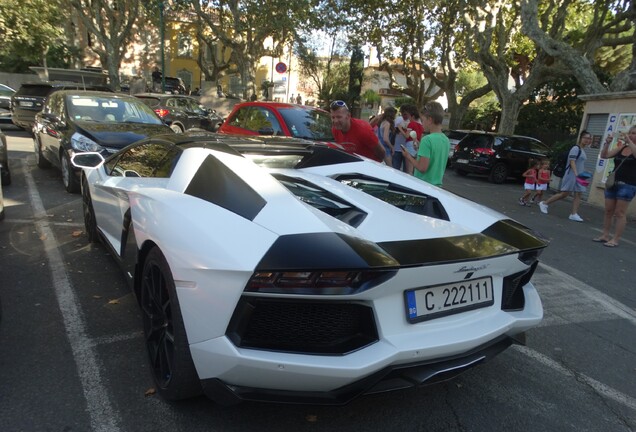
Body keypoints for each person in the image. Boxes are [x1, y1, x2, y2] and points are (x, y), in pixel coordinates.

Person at [593, 125, 636, 247]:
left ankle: (615, 239)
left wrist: (629, 142)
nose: (631, 135)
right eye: (631, 132)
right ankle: (605, 235)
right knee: (608, 211)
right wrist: (607, 143)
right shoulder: (623, 147)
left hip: (628, 185)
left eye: (634, 133)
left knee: (620, 213)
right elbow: (604, 155)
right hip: (613, 183)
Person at [539, 130, 592, 222]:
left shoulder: (582, 150)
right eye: (586, 138)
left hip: (579, 176)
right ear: (581, 138)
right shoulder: (575, 148)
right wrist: (576, 173)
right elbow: (572, 161)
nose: (587, 140)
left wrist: (583, 172)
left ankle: (574, 214)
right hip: (571, 175)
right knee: (564, 194)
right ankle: (544, 203)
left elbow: (579, 163)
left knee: (578, 194)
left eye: (589, 138)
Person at [402, 102, 450, 186]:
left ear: (430, 120)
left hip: (423, 185)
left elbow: (422, 168)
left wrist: (408, 156)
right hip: (437, 186)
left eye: (422, 120)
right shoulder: (446, 140)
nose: (421, 123)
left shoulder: (427, 140)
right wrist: (419, 149)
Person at [397, 104, 424, 174]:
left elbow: (407, 136)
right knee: (414, 169)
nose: (408, 118)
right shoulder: (421, 126)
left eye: (409, 116)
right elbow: (420, 138)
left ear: (412, 116)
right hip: (417, 146)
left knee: (409, 169)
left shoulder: (411, 124)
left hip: (409, 145)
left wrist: (400, 129)